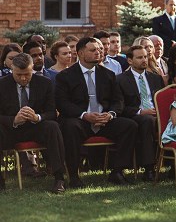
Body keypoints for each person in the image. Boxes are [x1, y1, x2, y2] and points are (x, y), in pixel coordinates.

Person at [54, 36, 138, 188]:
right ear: (79, 53)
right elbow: (62, 103)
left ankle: (117, 171)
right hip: (80, 120)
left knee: (129, 125)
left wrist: (110, 114)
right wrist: (84, 115)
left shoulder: (108, 75)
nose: (98, 52)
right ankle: (73, 176)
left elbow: (118, 101)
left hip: (104, 120)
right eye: (93, 50)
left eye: (100, 49)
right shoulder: (65, 76)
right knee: (70, 127)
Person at [0, 53, 67, 193]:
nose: (23, 78)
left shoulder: (44, 83)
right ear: (12, 68)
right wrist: (14, 120)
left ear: (32, 69)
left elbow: (52, 112)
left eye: (27, 74)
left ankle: (59, 178)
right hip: (9, 130)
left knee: (53, 127)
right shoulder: (2, 84)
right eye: (19, 74)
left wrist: (37, 117)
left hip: (35, 127)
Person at [116, 44, 164, 181]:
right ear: (130, 60)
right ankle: (149, 169)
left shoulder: (155, 78)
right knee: (147, 121)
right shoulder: (120, 80)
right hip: (136, 116)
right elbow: (120, 107)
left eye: (145, 57)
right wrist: (140, 111)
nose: (144, 60)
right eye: (139, 57)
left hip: (158, 116)